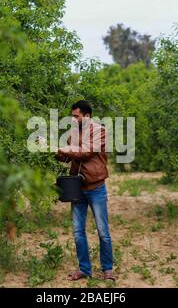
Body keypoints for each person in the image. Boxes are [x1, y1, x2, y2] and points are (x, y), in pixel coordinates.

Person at [56, 100, 115, 281]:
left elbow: (85, 152)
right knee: (78, 231)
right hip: (77, 188)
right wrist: (52, 148)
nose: (73, 120)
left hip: (96, 187)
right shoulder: (72, 133)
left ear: (87, 116)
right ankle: (84, 269)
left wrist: (63, 148)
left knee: (103, 231)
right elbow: (67, 157)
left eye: (76, 116)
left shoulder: (100, 132)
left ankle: (107, 269)